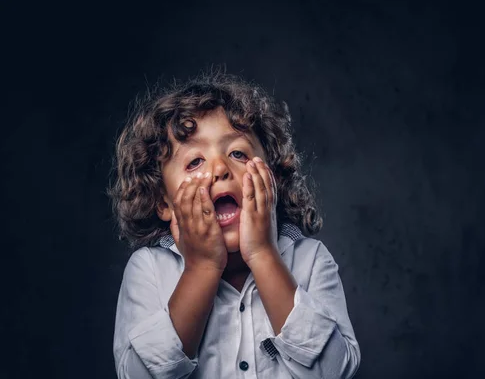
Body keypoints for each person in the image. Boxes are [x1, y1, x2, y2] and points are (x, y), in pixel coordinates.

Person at [108, 70, 361, 378]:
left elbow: (336, 372)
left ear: (273, 179)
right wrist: (201, 269)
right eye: (195, 161)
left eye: (237, 153)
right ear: (164, 202)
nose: (220, 169)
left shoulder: (310, 260)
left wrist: (264, 254)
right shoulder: (148, 270)